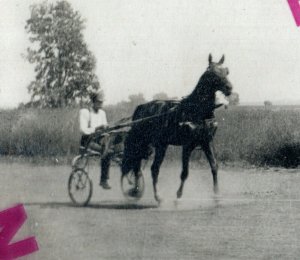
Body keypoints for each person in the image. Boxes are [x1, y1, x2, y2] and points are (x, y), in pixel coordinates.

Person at [79, 91, 112, 189]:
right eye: (99, 102)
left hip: (100, 140)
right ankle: (103, 180)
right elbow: (83, 130)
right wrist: (97, 128)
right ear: (93, 102)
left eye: (102, 102)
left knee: (111, 146)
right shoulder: (85, 112)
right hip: (88, 142)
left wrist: (106, 128)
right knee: (107, 152)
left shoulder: (102, 113)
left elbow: (105, 129)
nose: (101, 105)